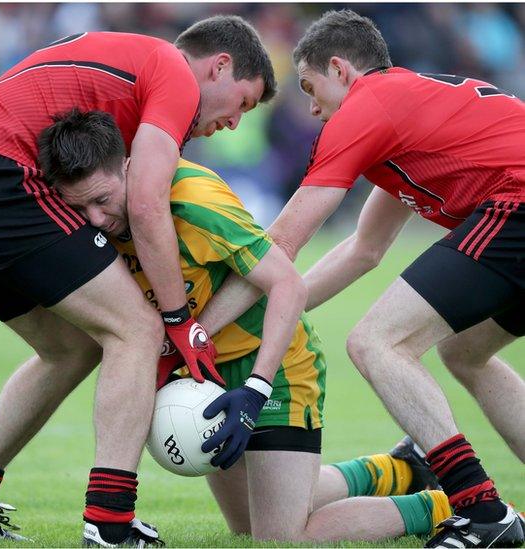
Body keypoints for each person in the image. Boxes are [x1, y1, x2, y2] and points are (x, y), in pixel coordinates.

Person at [40, 108, 452, 544]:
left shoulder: (195, 201)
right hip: (204, 377)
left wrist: (256, 389)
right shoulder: (83, 229)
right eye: (79, 206)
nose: (96, 219)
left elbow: (287, 286)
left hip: (273, 368)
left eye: (102, 200)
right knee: (248, 524)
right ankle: (401, 468)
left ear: (127, 167)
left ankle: (447, 505)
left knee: (280, 535)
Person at [197, 9, 525, 549]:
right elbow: (362, 251)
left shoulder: (369, 106)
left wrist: (202, 329)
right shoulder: (406, 110)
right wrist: (277, 313)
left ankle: (482, 508)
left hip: (518, 203)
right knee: (464, 351)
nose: (310, 106)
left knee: (377, 342)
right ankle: (467, 496)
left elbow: (279, 242)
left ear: (341, 69)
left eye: (310, 86)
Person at [0, 17, 275, 546]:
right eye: (244, 103)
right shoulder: (176, 75)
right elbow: (144, 201)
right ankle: (109, 523)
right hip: (0, 172)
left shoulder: (137, 60)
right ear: (219, 67)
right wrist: (178, 319)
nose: (234, 123)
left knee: (69, 349)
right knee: (136, 329)